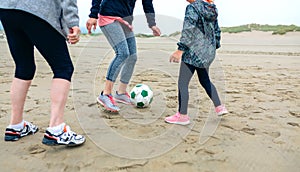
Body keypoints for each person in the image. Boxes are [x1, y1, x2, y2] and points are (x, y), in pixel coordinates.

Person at [0, 0, 85, 146]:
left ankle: (16, 125)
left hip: (7, 9)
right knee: (63, 68)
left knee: (24, 67)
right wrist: (73, 23)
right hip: (38, 8)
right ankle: (56, 128)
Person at [86, 0, 161, 112]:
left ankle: (121, 93)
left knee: (132, 56)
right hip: (109, 15)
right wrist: (93, 15)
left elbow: (147, 2)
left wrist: (152, 24)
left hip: (125, 19)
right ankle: (105, 94)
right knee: (122, 53)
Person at [165, 0, 228, 125]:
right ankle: (219, 107)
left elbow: (189, 29)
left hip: (192, 52)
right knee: (205, 80)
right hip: (207, 53)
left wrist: (180, 49)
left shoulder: (192, 8)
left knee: (183, 82)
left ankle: (182, 116)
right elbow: (217, 31)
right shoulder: (211, 9)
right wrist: (213, 47)